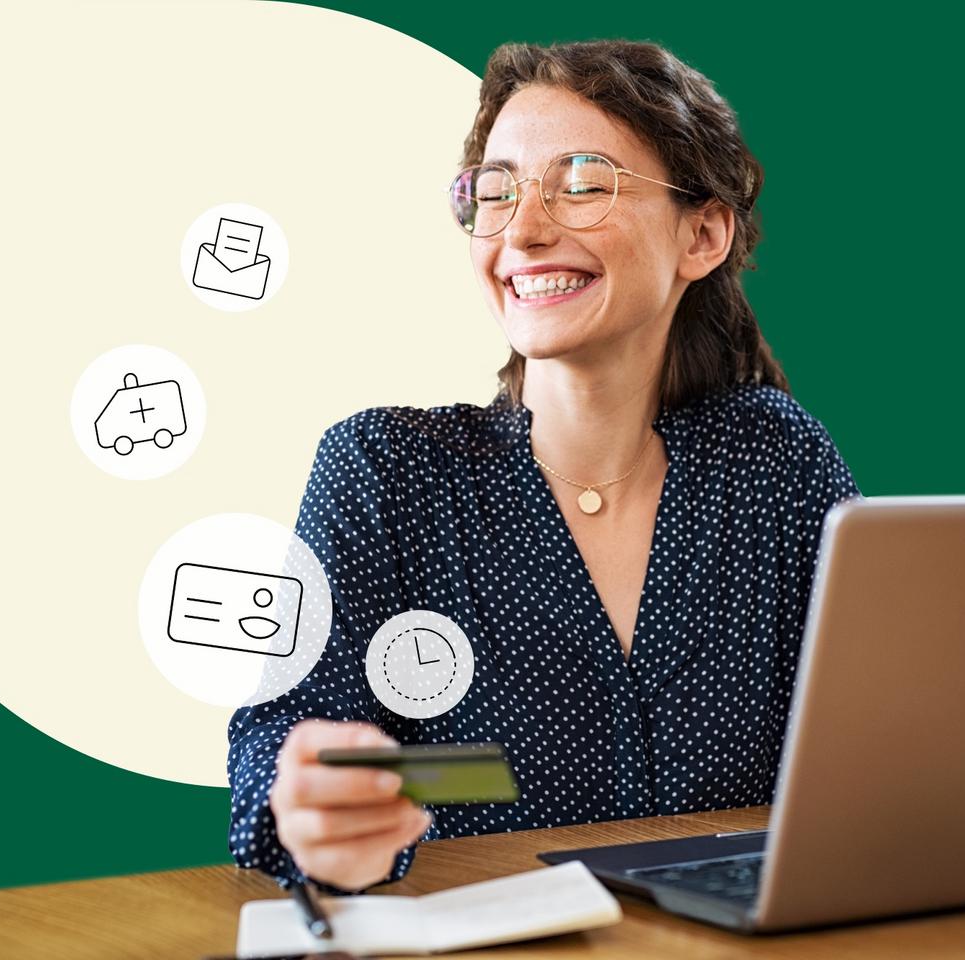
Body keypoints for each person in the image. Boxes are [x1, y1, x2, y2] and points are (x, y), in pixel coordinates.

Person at [227, 39, 860, 894]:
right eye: (496, 192)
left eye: (584, 183)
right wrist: (309, 807)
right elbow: (286, 737)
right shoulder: (386, 471)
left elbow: (881, 746)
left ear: (703, 233)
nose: (523, 230)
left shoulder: (773, 463)